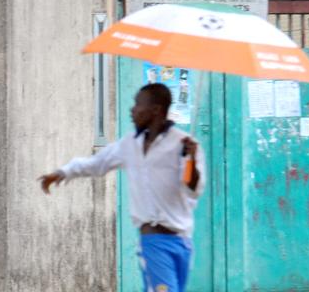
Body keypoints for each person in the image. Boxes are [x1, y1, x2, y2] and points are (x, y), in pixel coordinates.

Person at [39, 83, 206, 292]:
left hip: (182, 240)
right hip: (153, 240)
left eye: (138, 104)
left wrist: (190, 157)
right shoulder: (130, 144)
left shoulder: (182, 144)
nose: (132, 109)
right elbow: (97, 163)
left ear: (156, 110)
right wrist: (62, 172)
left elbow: (193, 189)